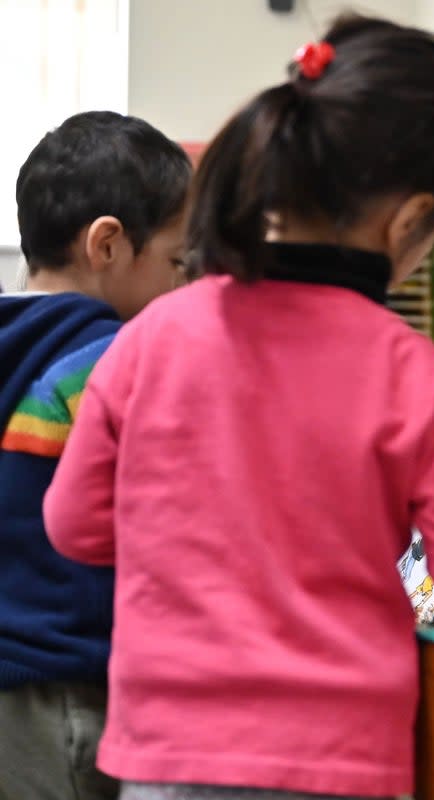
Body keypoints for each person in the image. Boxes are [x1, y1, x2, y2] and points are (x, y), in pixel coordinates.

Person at [44, 15, 434, 800]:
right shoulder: (405, 366)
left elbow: (73, 523)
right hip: (340, 757)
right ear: (410, 221)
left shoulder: (151, 336)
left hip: (164, 754)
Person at [0, 110, 190, 800]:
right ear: (107, 244)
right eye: (175, 261)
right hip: (77, 686)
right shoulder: (115, 362)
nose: (180, 286)